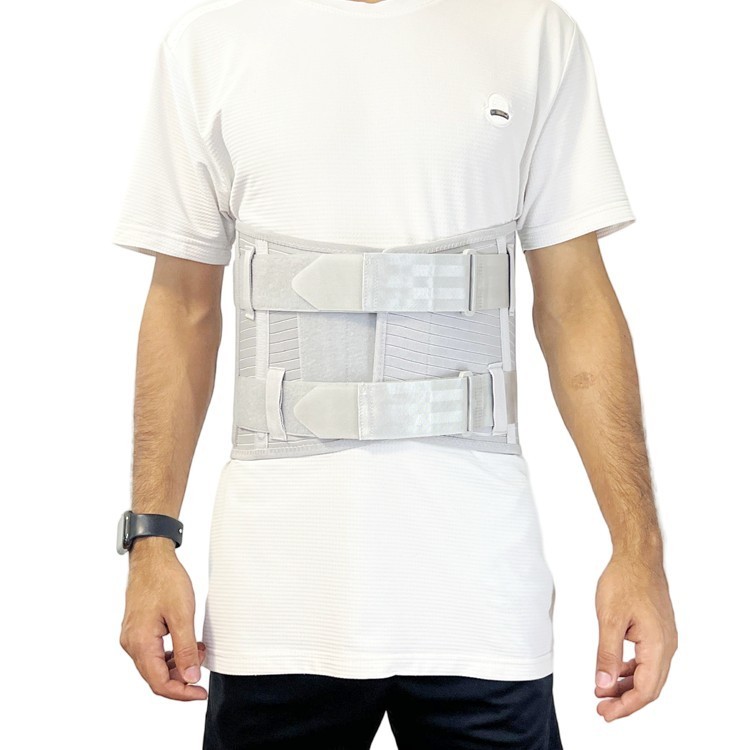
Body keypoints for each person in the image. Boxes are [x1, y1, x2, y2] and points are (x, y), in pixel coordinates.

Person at [112, 0, 678, 747]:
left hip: (479, 602)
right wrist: (151, 542)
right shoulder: (209, 44)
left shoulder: (534, 33)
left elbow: (578, 308)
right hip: (279, 602)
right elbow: (182, 311)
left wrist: (639, 551)